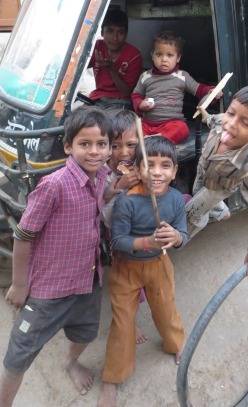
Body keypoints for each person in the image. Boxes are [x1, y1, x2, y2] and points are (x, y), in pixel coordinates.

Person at [0, 106, 113, 407]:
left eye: (102, 144)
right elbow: (24, 234)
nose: (94, 152)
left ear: (110, 148)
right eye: (84, 144)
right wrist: (20, 284)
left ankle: (70, 362)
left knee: (86, 330)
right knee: (18, 354)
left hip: (88, 278)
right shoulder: (54, 185)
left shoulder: (103, 175)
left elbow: (101, 200)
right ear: (68, 146)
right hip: (48, 289)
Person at [98, 136, 187, 407]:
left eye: (165, 165)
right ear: (137, 169)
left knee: (166, 309)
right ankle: (112, 378)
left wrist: (176, 237)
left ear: (174, 171)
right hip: (127, 268)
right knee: (123, 322)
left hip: (159, 266)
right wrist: (146, 242)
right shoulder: (128, 201)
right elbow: (118, 241)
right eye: (149, 165)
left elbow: (183, 233)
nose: (157, 172)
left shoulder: (174, 200)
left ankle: (176, 344)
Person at [186, 85, 248, 276]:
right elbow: (212, 120)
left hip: (217, 189)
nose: (231, 124)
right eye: (231, 113)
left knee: (192, 212)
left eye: (245, 123)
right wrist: (203, 112)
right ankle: (221, 211)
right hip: (203, 172)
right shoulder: (222, 122)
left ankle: (184, 233)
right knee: (196, 191)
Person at [102, 108, 148, 344]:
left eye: (131, 145)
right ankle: (128, 322)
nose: (124, 153)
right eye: (116, 145)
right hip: (120, 241)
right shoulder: (103, 172)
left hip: (143, 236)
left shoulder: (143, 164)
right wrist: (118, 187)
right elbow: (107, 217)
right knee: (128, 288)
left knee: (143, 280)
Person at [131, 31, 222, 144]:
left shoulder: (182, 76)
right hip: (147, 124)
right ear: (152, 55)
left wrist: (210, 91)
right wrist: (141, 105)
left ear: (178, 58)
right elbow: (136, 95)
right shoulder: (145, 76)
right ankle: (154, 140)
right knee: (131, 128)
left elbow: (198, 89)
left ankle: (155, 139)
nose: (164, 59)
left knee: (182, 128)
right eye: (159, 54)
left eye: (170, 55)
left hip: (171, 124)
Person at [88, 8, 143, 110]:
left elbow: (126, 92)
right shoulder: (96, 47)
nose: (115, 38)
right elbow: (76, 67)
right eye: (110, 31)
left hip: (121, 101)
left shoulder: (134, 55)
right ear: (102, 32)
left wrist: (111, 69)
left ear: (126, 34)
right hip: (97, 99)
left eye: (120, 32)